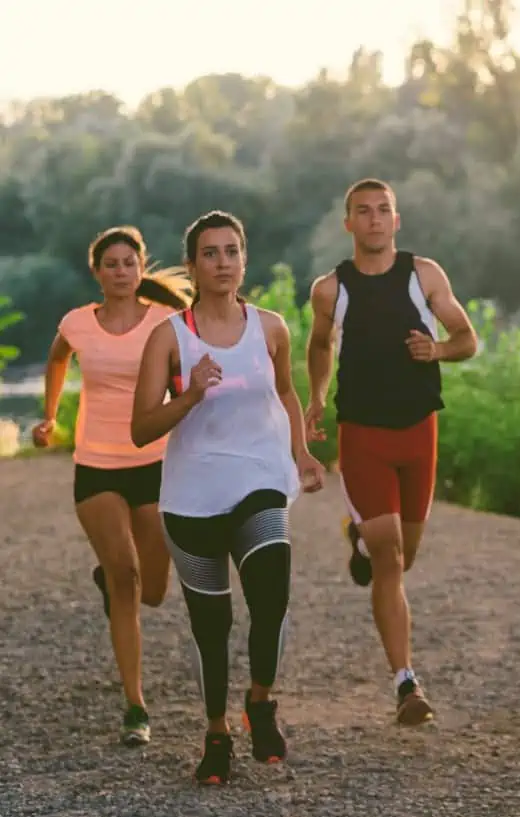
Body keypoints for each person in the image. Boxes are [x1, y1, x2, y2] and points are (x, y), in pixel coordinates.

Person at [131, 210, 326, 785]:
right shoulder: (169, 337)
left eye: (232, 251)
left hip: (259, 478)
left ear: (244, 259)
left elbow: (286, 394)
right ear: (192, 266)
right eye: (210, 253)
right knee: (210, 626)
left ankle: (260, 700)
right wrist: (190, 395)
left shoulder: (271, 328)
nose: (223, 262)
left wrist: (302, 453)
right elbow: (141, 428)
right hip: (191, 496)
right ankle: (216, 732)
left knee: (271, 594)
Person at [305, 178, 478, 726]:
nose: (375, 219)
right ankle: (406, 682)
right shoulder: (331, 289)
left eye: (383, 210)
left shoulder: (424, 275)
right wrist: (316, 398)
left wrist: (437, 350)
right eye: (364, 211)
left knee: (407, 554)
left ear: (396, 221)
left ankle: (359, 539)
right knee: (392, 558)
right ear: (349, 223)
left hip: (419, 429)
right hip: (362, 434)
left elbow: (467, 339)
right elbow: (319, 344)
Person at [32, 226, 191, 746]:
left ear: (141, 268)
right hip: (97, 464)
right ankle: (135, 706)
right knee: (127, 577)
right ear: (96, 272)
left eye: (129, 263)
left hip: (155, 463)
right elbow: (57, 358)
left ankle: (112, 579)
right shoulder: (78, 323)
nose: (121, 272)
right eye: (111, 264)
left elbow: (184, 379)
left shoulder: (165, 322)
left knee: (155, 591)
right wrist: (49, 416)